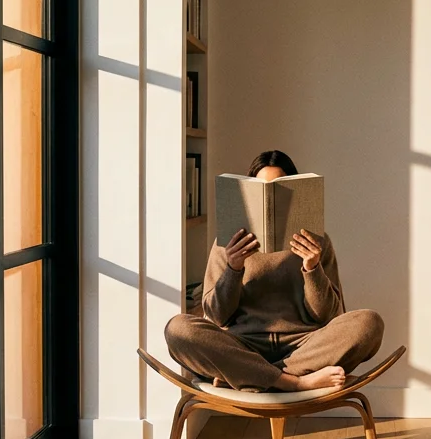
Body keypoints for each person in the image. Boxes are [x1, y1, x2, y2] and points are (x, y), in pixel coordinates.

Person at [164, 150, 384, 392]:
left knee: (369, 323)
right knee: (178, 330)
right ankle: (293, 382)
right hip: (243, 345)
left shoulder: (317, 242)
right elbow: (217, 316)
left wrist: (312, 268)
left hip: (303, 347)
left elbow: (326, 315)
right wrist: (233, 268)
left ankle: (248, 377)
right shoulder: (227, 243)